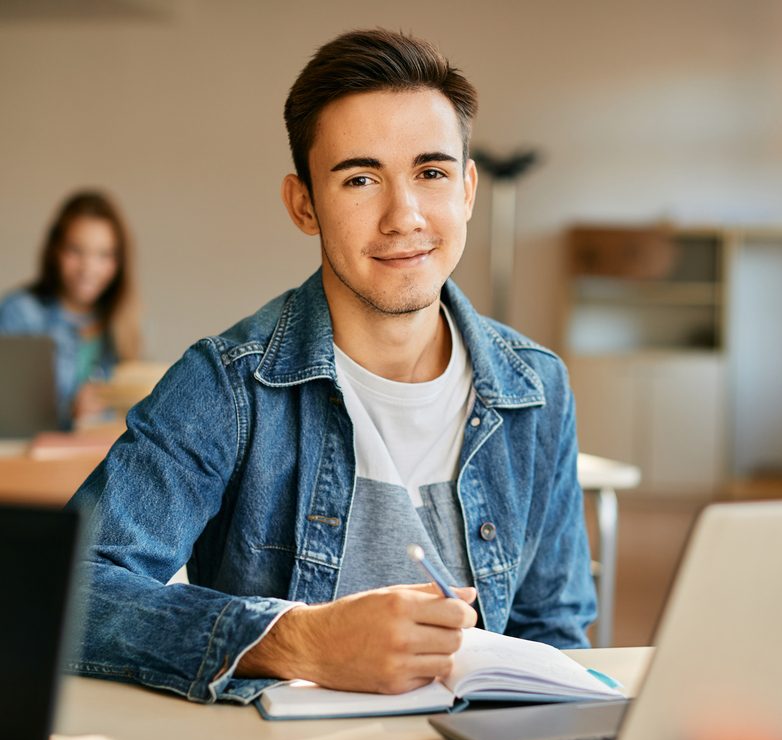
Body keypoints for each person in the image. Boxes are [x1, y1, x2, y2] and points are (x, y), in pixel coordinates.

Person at [68, 29, 596, 704]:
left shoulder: (536, 388)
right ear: (303, 205)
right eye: (360, 179)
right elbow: (69, 587)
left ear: (467, 190)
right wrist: (297, 640)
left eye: (430, 173)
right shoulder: (227, 384)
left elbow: (552, 633)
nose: (402, 216)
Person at [0, 190, 141, 428]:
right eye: (75, 250)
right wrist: (69, 412)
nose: (88, 268)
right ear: (55, 251)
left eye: (104, 255)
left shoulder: (121, 321)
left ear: (118, 262)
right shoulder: (20, 313)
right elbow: (9, 417)